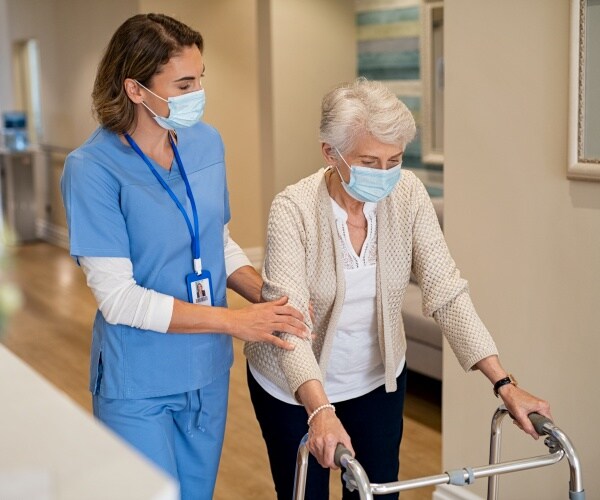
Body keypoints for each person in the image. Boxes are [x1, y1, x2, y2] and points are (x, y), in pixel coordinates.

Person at [244, 77, 552, 499]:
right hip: (292, 389)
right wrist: (319, 409)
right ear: (330, 153)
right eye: (370, 161)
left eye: (395, 159)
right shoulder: (292, 209)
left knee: (378, 491)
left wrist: (504, 383)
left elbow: (446, 289)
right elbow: (288, 324)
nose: (385, 175)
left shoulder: (407, 194)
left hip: (374, 381)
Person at [60, 13, 308, 500]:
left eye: (201, 79)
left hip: (206, 373)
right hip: (139, 381)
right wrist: (237, 322)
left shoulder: (205, 143)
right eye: (184, 83)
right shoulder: (92, 169)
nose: (198, 93)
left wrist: (269, 298)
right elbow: (119, 299)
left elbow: (216, 240)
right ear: (135, 89)